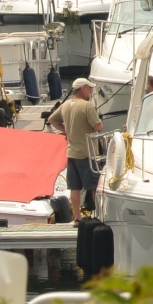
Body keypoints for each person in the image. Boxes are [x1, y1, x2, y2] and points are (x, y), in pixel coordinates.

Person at [52, 79, 101, 218]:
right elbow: (98, 126)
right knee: (93, 186)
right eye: (90, 88)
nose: (91, 92)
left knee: (75, 187)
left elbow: (52, 119)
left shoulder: (66, 105)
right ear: (83, 88)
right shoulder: (87, 106)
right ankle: (98, 214)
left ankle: (77, 218)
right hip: (87, 152)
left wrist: (66, 130)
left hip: (72, 152)